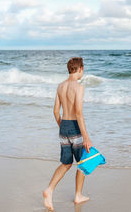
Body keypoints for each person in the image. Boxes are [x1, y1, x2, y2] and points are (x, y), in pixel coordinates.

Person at [43, 57, 92, 211]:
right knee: (83, 162)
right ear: (80, 69)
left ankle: (49, 189)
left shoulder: (60, 86)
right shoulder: (79, 87)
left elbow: (56, 111)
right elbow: (78, 113)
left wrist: (62, 127)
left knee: (66, 163)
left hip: (63, 125)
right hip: (75, 127)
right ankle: (78, 195)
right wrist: (86, 136)